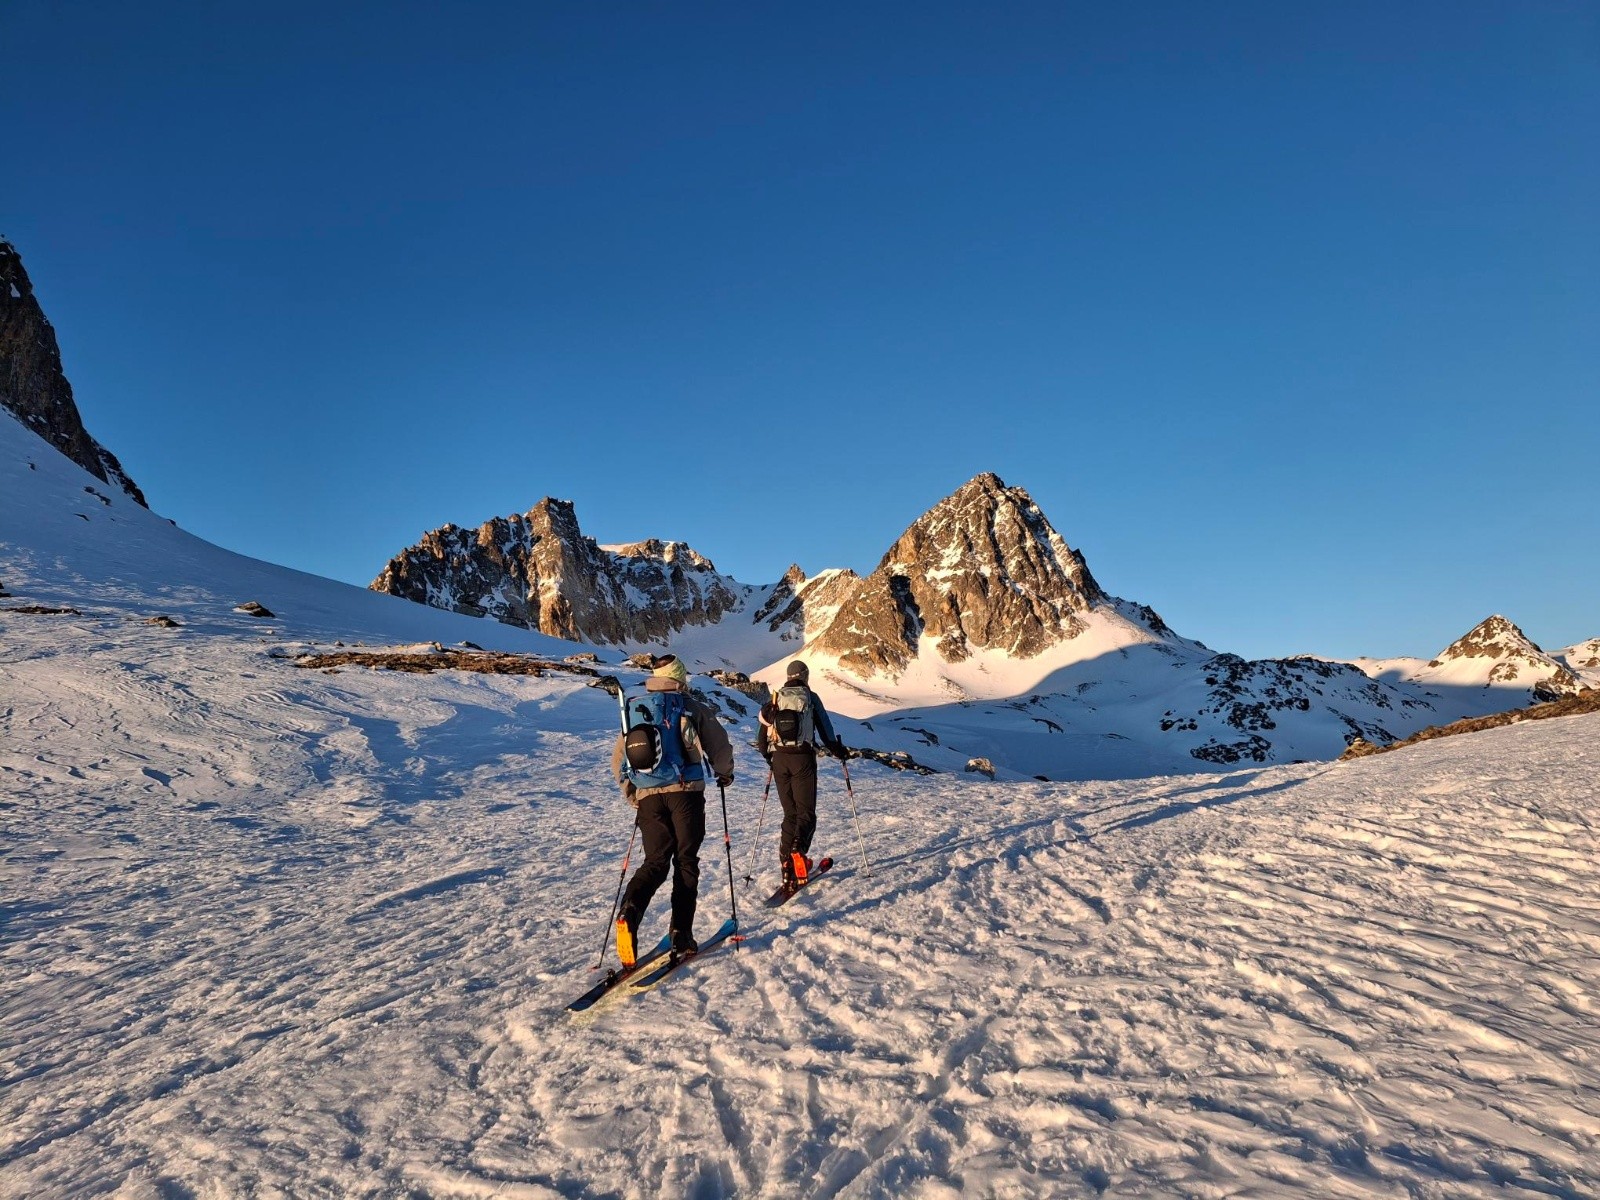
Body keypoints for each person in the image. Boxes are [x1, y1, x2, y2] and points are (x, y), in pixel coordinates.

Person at [612, 654, 734, 964]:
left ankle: (630, 911)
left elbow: (619, 760)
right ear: (679, 677)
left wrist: (634, 794)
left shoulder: (638, 708)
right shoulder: (688, 705)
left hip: (649, 797)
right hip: (686, 794)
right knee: (686, 862)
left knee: (654, 862)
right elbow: (718, 743)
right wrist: (725, 772)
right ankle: (681, 932)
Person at [757, 659, 849, 893]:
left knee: (790, 814)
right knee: (806, 813)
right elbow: (826, 730)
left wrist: (771, 758)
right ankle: (798, 852)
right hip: (802, 759)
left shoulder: (775, 699)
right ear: (805, 676)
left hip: (780, 759)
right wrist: (838, 750)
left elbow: (762, 735)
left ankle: (787, 865)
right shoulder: (810, 697)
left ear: (788, 676)